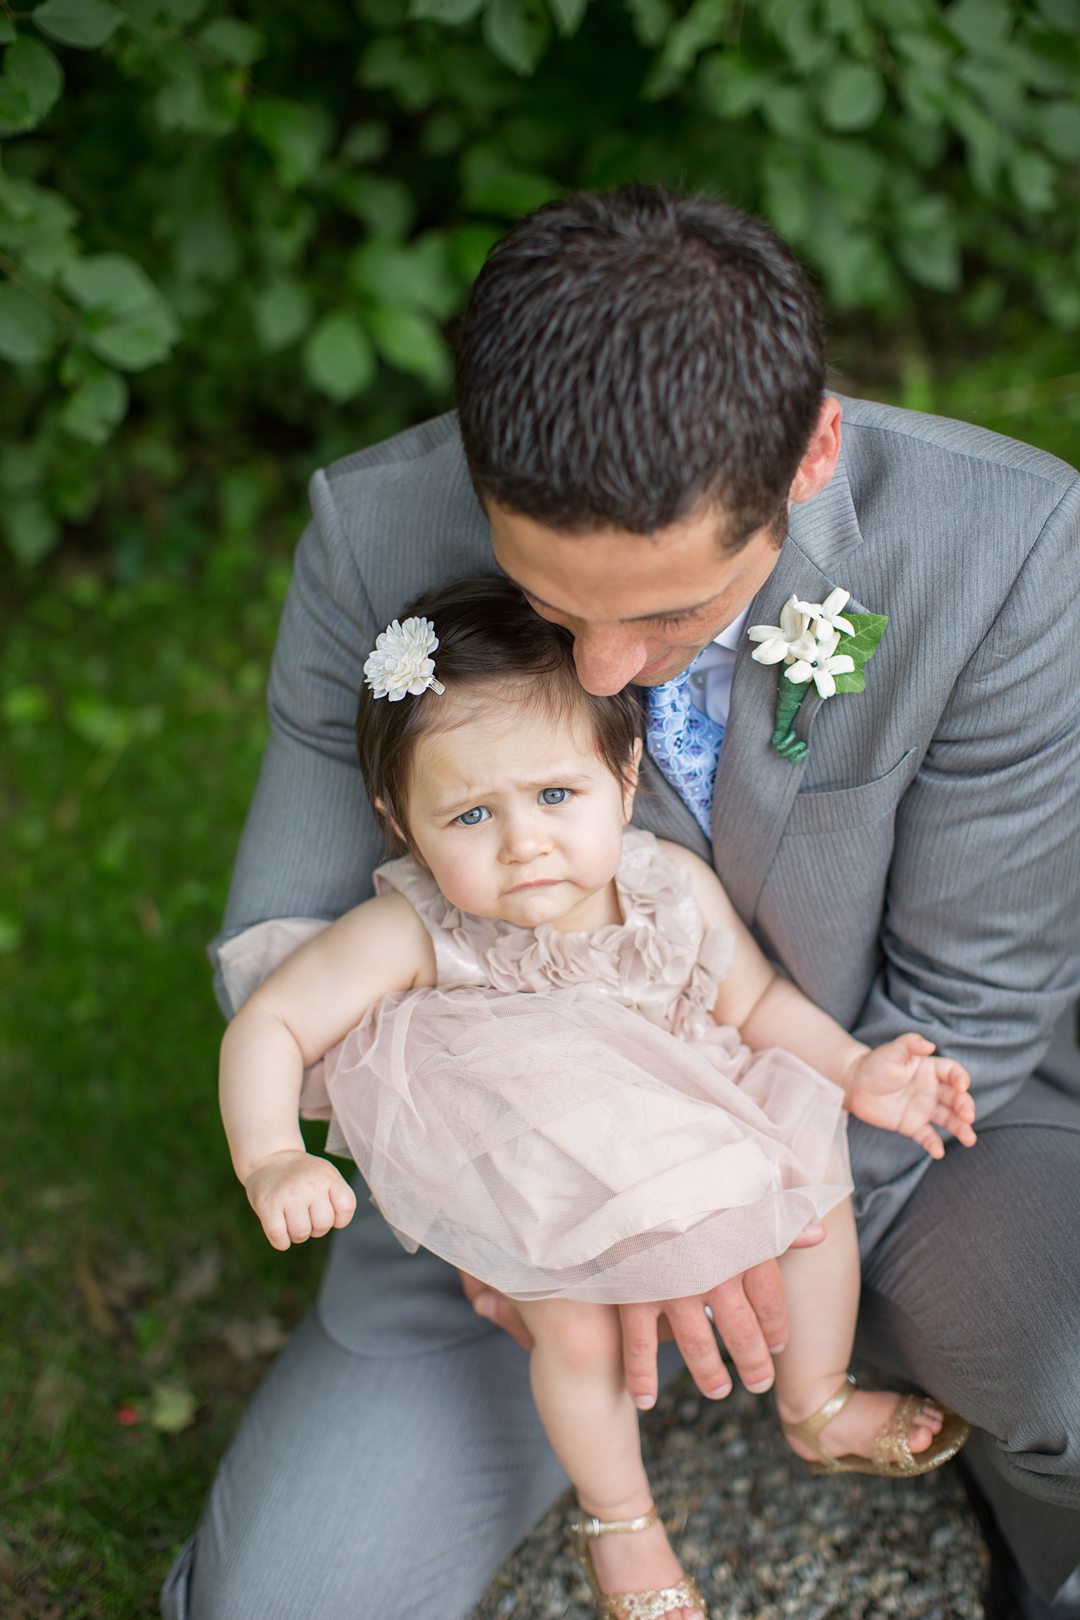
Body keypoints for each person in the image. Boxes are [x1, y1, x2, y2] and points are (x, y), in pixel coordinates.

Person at [162, 186, 1080, 1620]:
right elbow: (281, 940)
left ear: (812, 454)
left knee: (1071, 1375)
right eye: (553, 602)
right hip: (503, 1199)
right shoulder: (368, 534)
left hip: (873, 1146)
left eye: (665, 616)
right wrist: (528, 1209)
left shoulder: (1006, 547)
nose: (601, 672)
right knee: (281, 1599)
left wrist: (724, 1226)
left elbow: (978, 993)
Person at [216, 575, 975, 1620]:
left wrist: (853, 1069)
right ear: (401, 822)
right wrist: (271, 1155)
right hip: (542, 1171)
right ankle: (622, 1520)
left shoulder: (668, 888)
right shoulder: (419, 927)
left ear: (624, 776)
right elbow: (276, 1021)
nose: (523, 842)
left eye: (556, 797)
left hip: (690, 1110)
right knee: (572, 1329)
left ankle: (818, 1399)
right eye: (472, 813)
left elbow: (754, 1001)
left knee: (809, 1193)